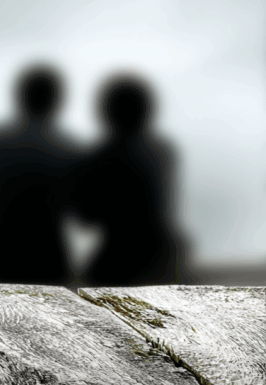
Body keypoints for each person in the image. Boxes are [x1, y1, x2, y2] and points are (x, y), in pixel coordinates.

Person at [0, 64, 84, 285]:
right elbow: (80, 210)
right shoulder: (68, 149)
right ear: (57, 101)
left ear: (19, 97)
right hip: (47, 253)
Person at [71, 73, 192, 286]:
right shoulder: (162, 152)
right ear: (147, 111)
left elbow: (85, 217)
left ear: (106, 112)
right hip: (162, 258)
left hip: (119, 260)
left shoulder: (98, 158)